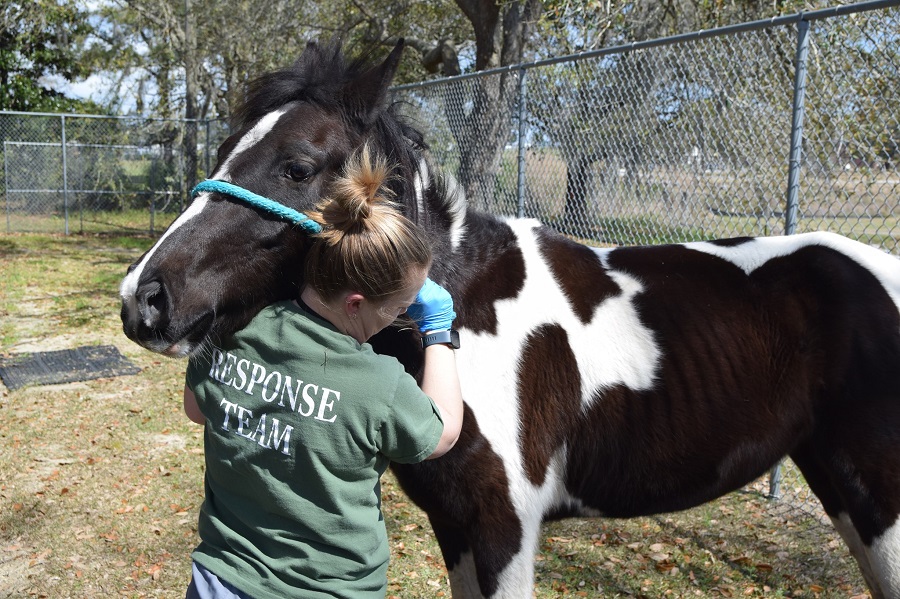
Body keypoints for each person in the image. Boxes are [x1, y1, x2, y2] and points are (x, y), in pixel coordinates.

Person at [181, 145, 463, 599]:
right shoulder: (378, 384)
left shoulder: (233, 333)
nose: (398, 318)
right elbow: (444, 433)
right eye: (400, 308)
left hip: (221, 579)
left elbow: (197, 409)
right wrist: (438, 331)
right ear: (356, 304)